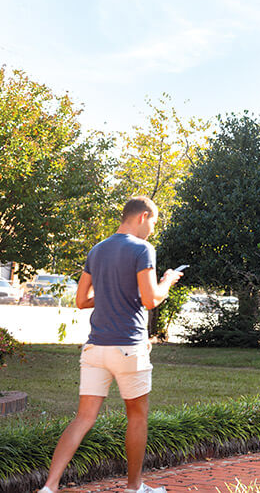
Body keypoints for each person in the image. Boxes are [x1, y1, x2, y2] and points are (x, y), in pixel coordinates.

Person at [39, 196, 183, 493]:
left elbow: (81, 301)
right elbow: (150, 299)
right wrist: (167, 281)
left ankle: (49, 487)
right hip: (128, 347)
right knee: (137, 416)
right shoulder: (143, 249)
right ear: (143, 216)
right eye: (153, 222)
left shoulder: (97, 250)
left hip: (95, 349)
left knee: (83, 418)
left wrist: (106, 295)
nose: (152, 230)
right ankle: (134, 487)